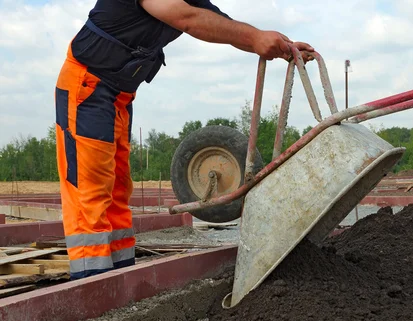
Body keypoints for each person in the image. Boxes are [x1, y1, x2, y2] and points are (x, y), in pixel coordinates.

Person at [54, 0, 314, 279]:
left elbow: (218, 22)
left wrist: (280, 46)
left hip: (118, 96)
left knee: (117, 190)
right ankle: (89, 287)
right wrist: (256, 38)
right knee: (90, 192)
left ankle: (118, 278)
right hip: (87, 88)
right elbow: (187, 18)